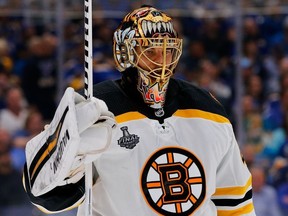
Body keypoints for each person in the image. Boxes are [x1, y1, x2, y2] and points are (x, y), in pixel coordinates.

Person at [22, 5, 255, 216]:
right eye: (150, 51)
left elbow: (235, 203)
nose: (161, 60)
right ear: (127, 54)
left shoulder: (208, 108)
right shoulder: (97, 107)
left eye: (167, 50)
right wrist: (70, 157)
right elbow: (46, 199)